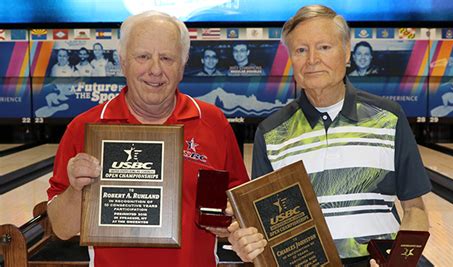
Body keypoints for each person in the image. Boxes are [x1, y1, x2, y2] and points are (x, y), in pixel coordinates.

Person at [227, 5, 431, 266]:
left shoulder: (389, 117)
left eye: (324, 47)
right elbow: (263, 226)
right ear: (291, 59)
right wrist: (245, 242)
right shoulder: (271, 132)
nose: (312, 59)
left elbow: (415, 207)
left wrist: (402, 262)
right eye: (301, 50)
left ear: (347, 53)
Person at [47, 10, 249, 266]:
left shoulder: (213, 122)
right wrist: (77, 191)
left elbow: (241, 208)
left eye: (167, 58)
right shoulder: (85, 128)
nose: (155, 70)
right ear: (123, 62)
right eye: (143, 56)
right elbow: (62, 229)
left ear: (182, 65)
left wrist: (229, 222)